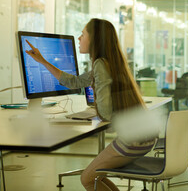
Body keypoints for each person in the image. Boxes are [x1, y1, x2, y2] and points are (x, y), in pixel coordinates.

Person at [25, 18, 156, 191]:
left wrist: (94, 106)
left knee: (87, 178)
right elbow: (74, 82)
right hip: (146, 137)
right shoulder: (109, 62)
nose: (79, 38)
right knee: (95, 176)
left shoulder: (101, 64)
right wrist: (42, 61)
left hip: (133, 141)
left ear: (95, 39)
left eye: (83, 34)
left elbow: (106, 114)